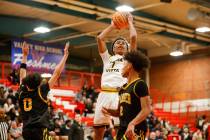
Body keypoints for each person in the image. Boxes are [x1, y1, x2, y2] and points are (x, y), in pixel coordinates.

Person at [94, 12, 137, 140]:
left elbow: (133, 37)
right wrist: (112, 26)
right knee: (98, 131)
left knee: (120, 132)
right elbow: (100, 38)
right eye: (117, 42)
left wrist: (130, 22)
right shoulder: (107, 58)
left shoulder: (129, 58)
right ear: (113, 48)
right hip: (104, 94)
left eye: (123, 43)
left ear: (127, 48)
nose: (120, 44)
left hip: (120, 95)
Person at [17, 42, 69, 140]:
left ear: (26, 83)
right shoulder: (41, 91)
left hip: (26, 131)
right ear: (38, 84)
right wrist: (65, 56)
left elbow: (22, 74)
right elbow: (56, 73)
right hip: (39, 130)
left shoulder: (22, 92)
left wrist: (24, 55)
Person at [102, 50, 151, 139]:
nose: (122, 68)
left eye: (124, 64)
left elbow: (147, 109)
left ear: (129, 66)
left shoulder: (140, 84)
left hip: (135, 130)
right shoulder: (122, 88)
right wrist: (109, 111)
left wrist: (132, 123)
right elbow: (119, 112)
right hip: (122, 129)